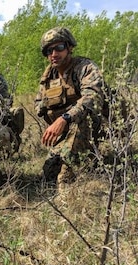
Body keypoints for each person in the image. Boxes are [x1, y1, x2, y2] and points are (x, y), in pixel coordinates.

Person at [35, 26, 105, 191]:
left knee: (82, 120)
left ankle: (67, 185)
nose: (54, 54)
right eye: (49, 50)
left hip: (93, 125)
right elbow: (39, 102)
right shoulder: (48, 77)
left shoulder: (84, 67)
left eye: (59, 47)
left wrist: (65, 118)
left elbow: (93, 98)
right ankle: (88, 159)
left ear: (69, 47)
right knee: (48, 173)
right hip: (66, 131)